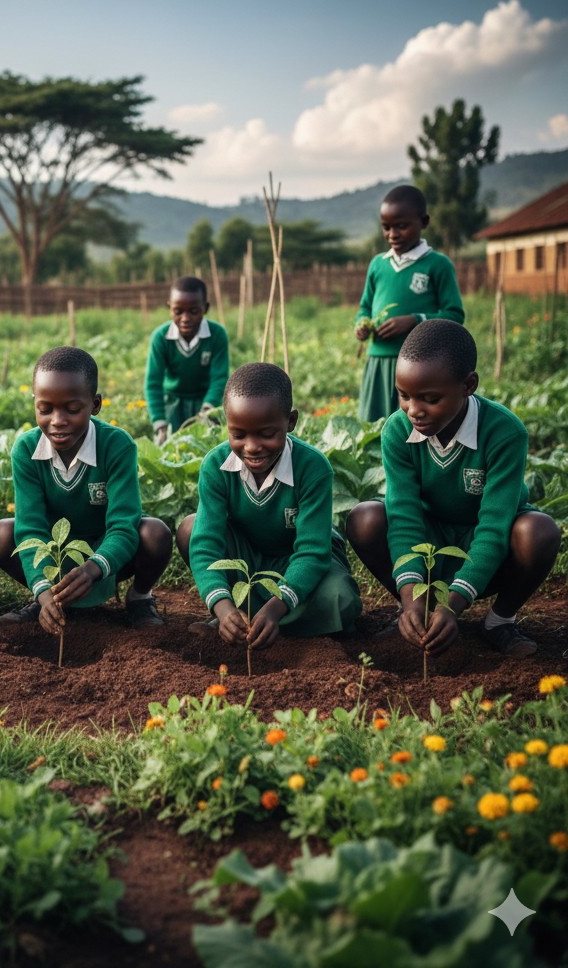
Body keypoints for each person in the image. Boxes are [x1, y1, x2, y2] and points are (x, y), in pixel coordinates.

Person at [346, 319, 559, 658]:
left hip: (492, 546)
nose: (414, 410)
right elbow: (404, 517)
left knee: (539, 532)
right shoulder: (397, 431)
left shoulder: (504, 432)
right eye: (404, 395)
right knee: (365, 518)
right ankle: (416, 612)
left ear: (468, 385)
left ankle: (499, 622)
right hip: (430, 542)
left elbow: (493, 527)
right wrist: (410, 591)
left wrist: (454, 605)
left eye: (430, 398)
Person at [0, 346, 172, 632]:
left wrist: (93, 567)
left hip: (106, 552)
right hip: (54, 550)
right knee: (1, 535)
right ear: (34, 403)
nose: (57, 420)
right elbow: (30, 529)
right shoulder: (26, 450)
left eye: (72, 409)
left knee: (155, 533)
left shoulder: (116, 445)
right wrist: (41, 586)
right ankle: (46, 598)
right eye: (45, 409)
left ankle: (139, 598)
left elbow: (123, 526)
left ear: (95, 404)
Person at [178, 362, 362, 649]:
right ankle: (234, 616)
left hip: (298, 561)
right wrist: (222, 606)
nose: (251, 446)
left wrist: (277, 606)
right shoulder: (216, 466)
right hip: (247, 558)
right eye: (238, 435)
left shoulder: (312, 467)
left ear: (290, 422)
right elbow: (206, 547)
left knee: (341, 599)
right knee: (192, 529)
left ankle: (266, 619)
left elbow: (312, 552)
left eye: (266, 434)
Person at [354, 185, 464, 422]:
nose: (392, 234)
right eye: (386, 227)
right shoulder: (378, 265)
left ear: (423, 222)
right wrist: (361, 325)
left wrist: (414, 321)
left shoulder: (437, 265)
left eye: (401, 226)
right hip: (379, 363)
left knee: (412, 425)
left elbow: (455, 315)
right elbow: (364, 307)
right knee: (374, 426)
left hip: (420, 368)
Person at [145, 276, 230, 444]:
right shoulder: (161, 338)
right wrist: (160, 424)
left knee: (208, 447)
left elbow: (219, 378)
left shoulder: (216, 335)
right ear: (170, 308)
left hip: (205, 402)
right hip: (173, 404)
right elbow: (153, 383)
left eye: (193, 311)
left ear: (205, 308)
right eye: (178, 311)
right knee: (171, 449)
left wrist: (208, 410)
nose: (185, 318)